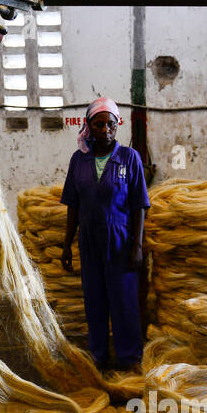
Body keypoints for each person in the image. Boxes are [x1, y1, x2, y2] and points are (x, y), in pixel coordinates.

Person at [60, 97, 149, 372]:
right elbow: (73, 205)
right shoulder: (80, 160)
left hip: (121, 241)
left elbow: (139, 206)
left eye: (110, 124)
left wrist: (137, 245)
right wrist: (66, 244)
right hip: (89, 241)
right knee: (95, 301)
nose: (105, 129)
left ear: (116, 125)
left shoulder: (129, 158)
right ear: (89, 126)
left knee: (124, 303)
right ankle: (98, 358)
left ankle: (129, 359)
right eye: (99, 124)